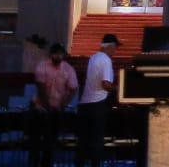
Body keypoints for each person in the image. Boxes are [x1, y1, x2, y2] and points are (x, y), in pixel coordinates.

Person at [31, 42, 78, 167]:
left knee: (50, 140)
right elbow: (40, 87)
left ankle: (46, 163)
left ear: (63, 55)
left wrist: (64, 103)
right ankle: (34, 162)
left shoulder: (68, 69)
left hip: (56, 110)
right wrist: (47, 106)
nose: (58, 57)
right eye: (55, 54)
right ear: (50, 54)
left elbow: (73, 88)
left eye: (60, 54)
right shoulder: (42, 66)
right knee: (36, 139)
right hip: (40, 107)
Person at [78, 33, 119, 167]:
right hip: (97, 105)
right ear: (110, 46)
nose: (115, 51)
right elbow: (106, 84)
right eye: (115, 48)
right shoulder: (106, 60)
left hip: (85, 104)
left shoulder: (93, 58)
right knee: (96, 141)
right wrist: (119, 89)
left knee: (83, 142)